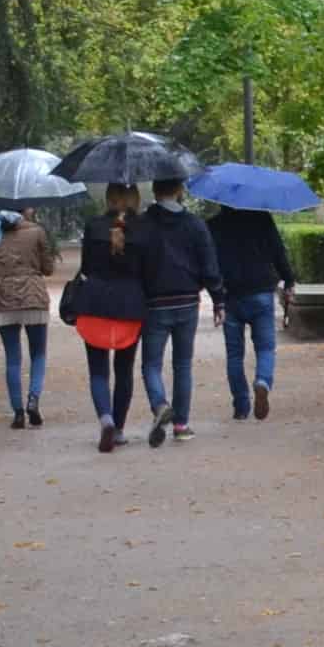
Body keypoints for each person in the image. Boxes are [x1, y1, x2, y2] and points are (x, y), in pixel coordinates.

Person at [136, 174, 224, 448]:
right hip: (187, 300)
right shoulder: (195, 225)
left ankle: (160, 404)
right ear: (179, 190)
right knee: (182, 365)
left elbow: (134, 264)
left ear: (155, 189)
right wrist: (218, 299)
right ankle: (181, 424)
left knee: (151, 363)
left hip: (154, 303)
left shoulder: (142, 225)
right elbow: (209, 266)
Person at [65, 184, 151, 453]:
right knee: (125, 370)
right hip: (131, 304)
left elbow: (87, 267)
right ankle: (120, 430)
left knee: (98, 370)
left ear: (108, 198)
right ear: (135, 199)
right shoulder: (144, 229)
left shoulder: (93, 227)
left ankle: (105, 419)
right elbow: (149, 270)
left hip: (95, 303)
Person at [203, 196, 297, 421]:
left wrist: (215, 294)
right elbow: (278, 251)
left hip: (230, 295)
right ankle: (263, 381)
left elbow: (208, 262)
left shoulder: (214, 225)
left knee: (234, 355)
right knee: (265, 348)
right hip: (261, 292)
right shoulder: (262, 219)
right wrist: (289, 280)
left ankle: (241, 405)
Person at [0, 207, 56, 429]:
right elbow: (48, 268)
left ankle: (18, 412)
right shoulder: (37, 232)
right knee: (38, 353)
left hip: (3, 300)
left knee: (13, 358)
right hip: (33, 298)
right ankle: (33, 399)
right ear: (27, 209)